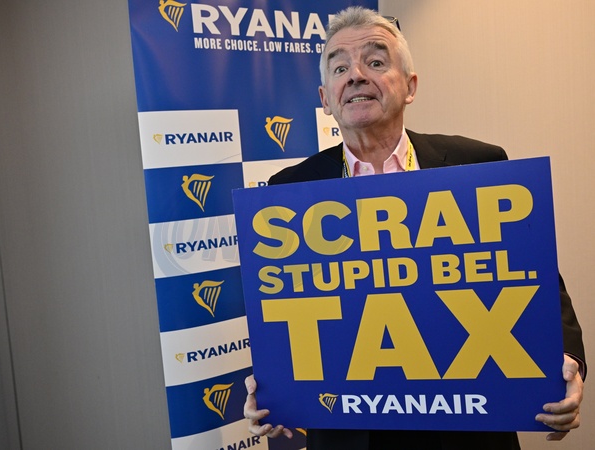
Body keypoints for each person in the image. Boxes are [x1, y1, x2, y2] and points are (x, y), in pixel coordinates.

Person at [243, 6, 586, 450]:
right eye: (340, 68)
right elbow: (286, 313)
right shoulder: (289, 191)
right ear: (326, 98)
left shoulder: (478, 165)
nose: (356, 75)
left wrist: (568, 360)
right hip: (352, 434)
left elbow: (535, 279)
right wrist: (275, 391)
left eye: (376, 61)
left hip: (469, 424)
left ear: (410, 86)